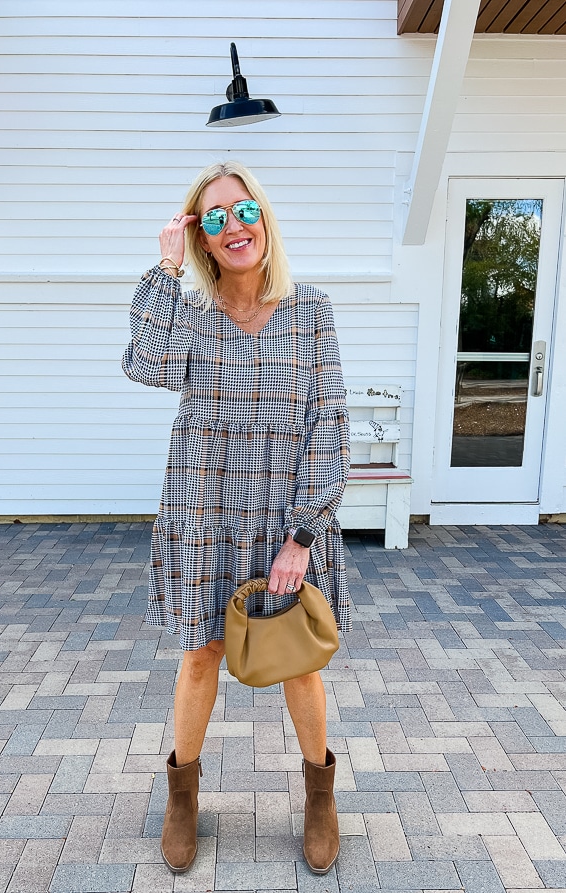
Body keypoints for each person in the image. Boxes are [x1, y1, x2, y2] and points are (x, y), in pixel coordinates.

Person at [122, 161, 351, 876]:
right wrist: (163, 268)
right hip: (208, 515)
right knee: (201, 658)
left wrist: (304, 533)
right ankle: (182, 797)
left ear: (262, 216)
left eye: (240, 209)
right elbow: (144, 363)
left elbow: (329, 419)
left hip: (286, 520)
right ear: (201, 237)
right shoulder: (187, 314)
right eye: (212, 218)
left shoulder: (311, 310)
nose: (232, 226)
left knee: (298, 663)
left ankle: (319, 796)